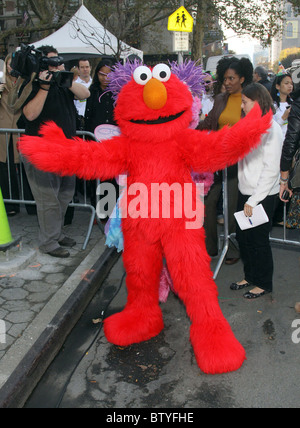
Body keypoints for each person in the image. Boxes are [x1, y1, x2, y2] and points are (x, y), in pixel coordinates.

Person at [20, 45, 90, 258]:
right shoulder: (32, 84)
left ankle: (56, 234)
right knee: (48, 199)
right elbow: (30, 115)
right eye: (50, 62)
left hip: (65, 151)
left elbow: (85, 93)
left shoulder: (64, 83)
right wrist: (44, 85)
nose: (55, 65)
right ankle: (48, 242)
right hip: (40, 151)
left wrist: (65, 80)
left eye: (57, 61)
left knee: (64, 195)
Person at [197, 56, 253, 264]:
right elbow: (210, 122)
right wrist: (188, 129)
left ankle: (232, 249)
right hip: (218, 158)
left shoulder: (250, 99)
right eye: (225, 79)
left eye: (232, 78)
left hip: (240, 160)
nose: (227, 82)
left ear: (242, 78)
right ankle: (210, 247)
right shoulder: (221, 99)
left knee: (231, 205)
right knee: (208, 203)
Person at [230, 83, 283, 298]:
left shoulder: (272, 128)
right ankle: (250, 276)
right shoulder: (247, 125)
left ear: (257, 101)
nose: (242, 106)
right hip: (246, 191)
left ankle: (263, 282)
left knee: (259, 240)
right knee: (244, 238)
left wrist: (254, 200)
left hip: (262, 195)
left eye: (245, 102)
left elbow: (271, 169)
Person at [84, 58, 118, 212]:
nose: (105, 78)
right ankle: (99, 210)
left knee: (113, 176)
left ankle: (111, 209)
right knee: (97, 175)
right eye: (101, 74)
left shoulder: (120, 92)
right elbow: (88, 116)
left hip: (115, 142)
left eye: (108, 74)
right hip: (95, 140)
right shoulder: (92, 92)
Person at [271, 71, 294, 138]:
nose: (290, 86)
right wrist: (283, 117)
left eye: (291, 83)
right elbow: (271, 130)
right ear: (278, 86)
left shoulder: (293, 103)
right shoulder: (272, 106)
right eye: (286, 83)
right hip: (279, 143)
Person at [73, 58, 92, 128]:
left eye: (87, 67)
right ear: (78, 69)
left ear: (90, 68)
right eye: (82, 67)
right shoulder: (74, 85)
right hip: (78, 119)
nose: (85, 69)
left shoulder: (94, 84)